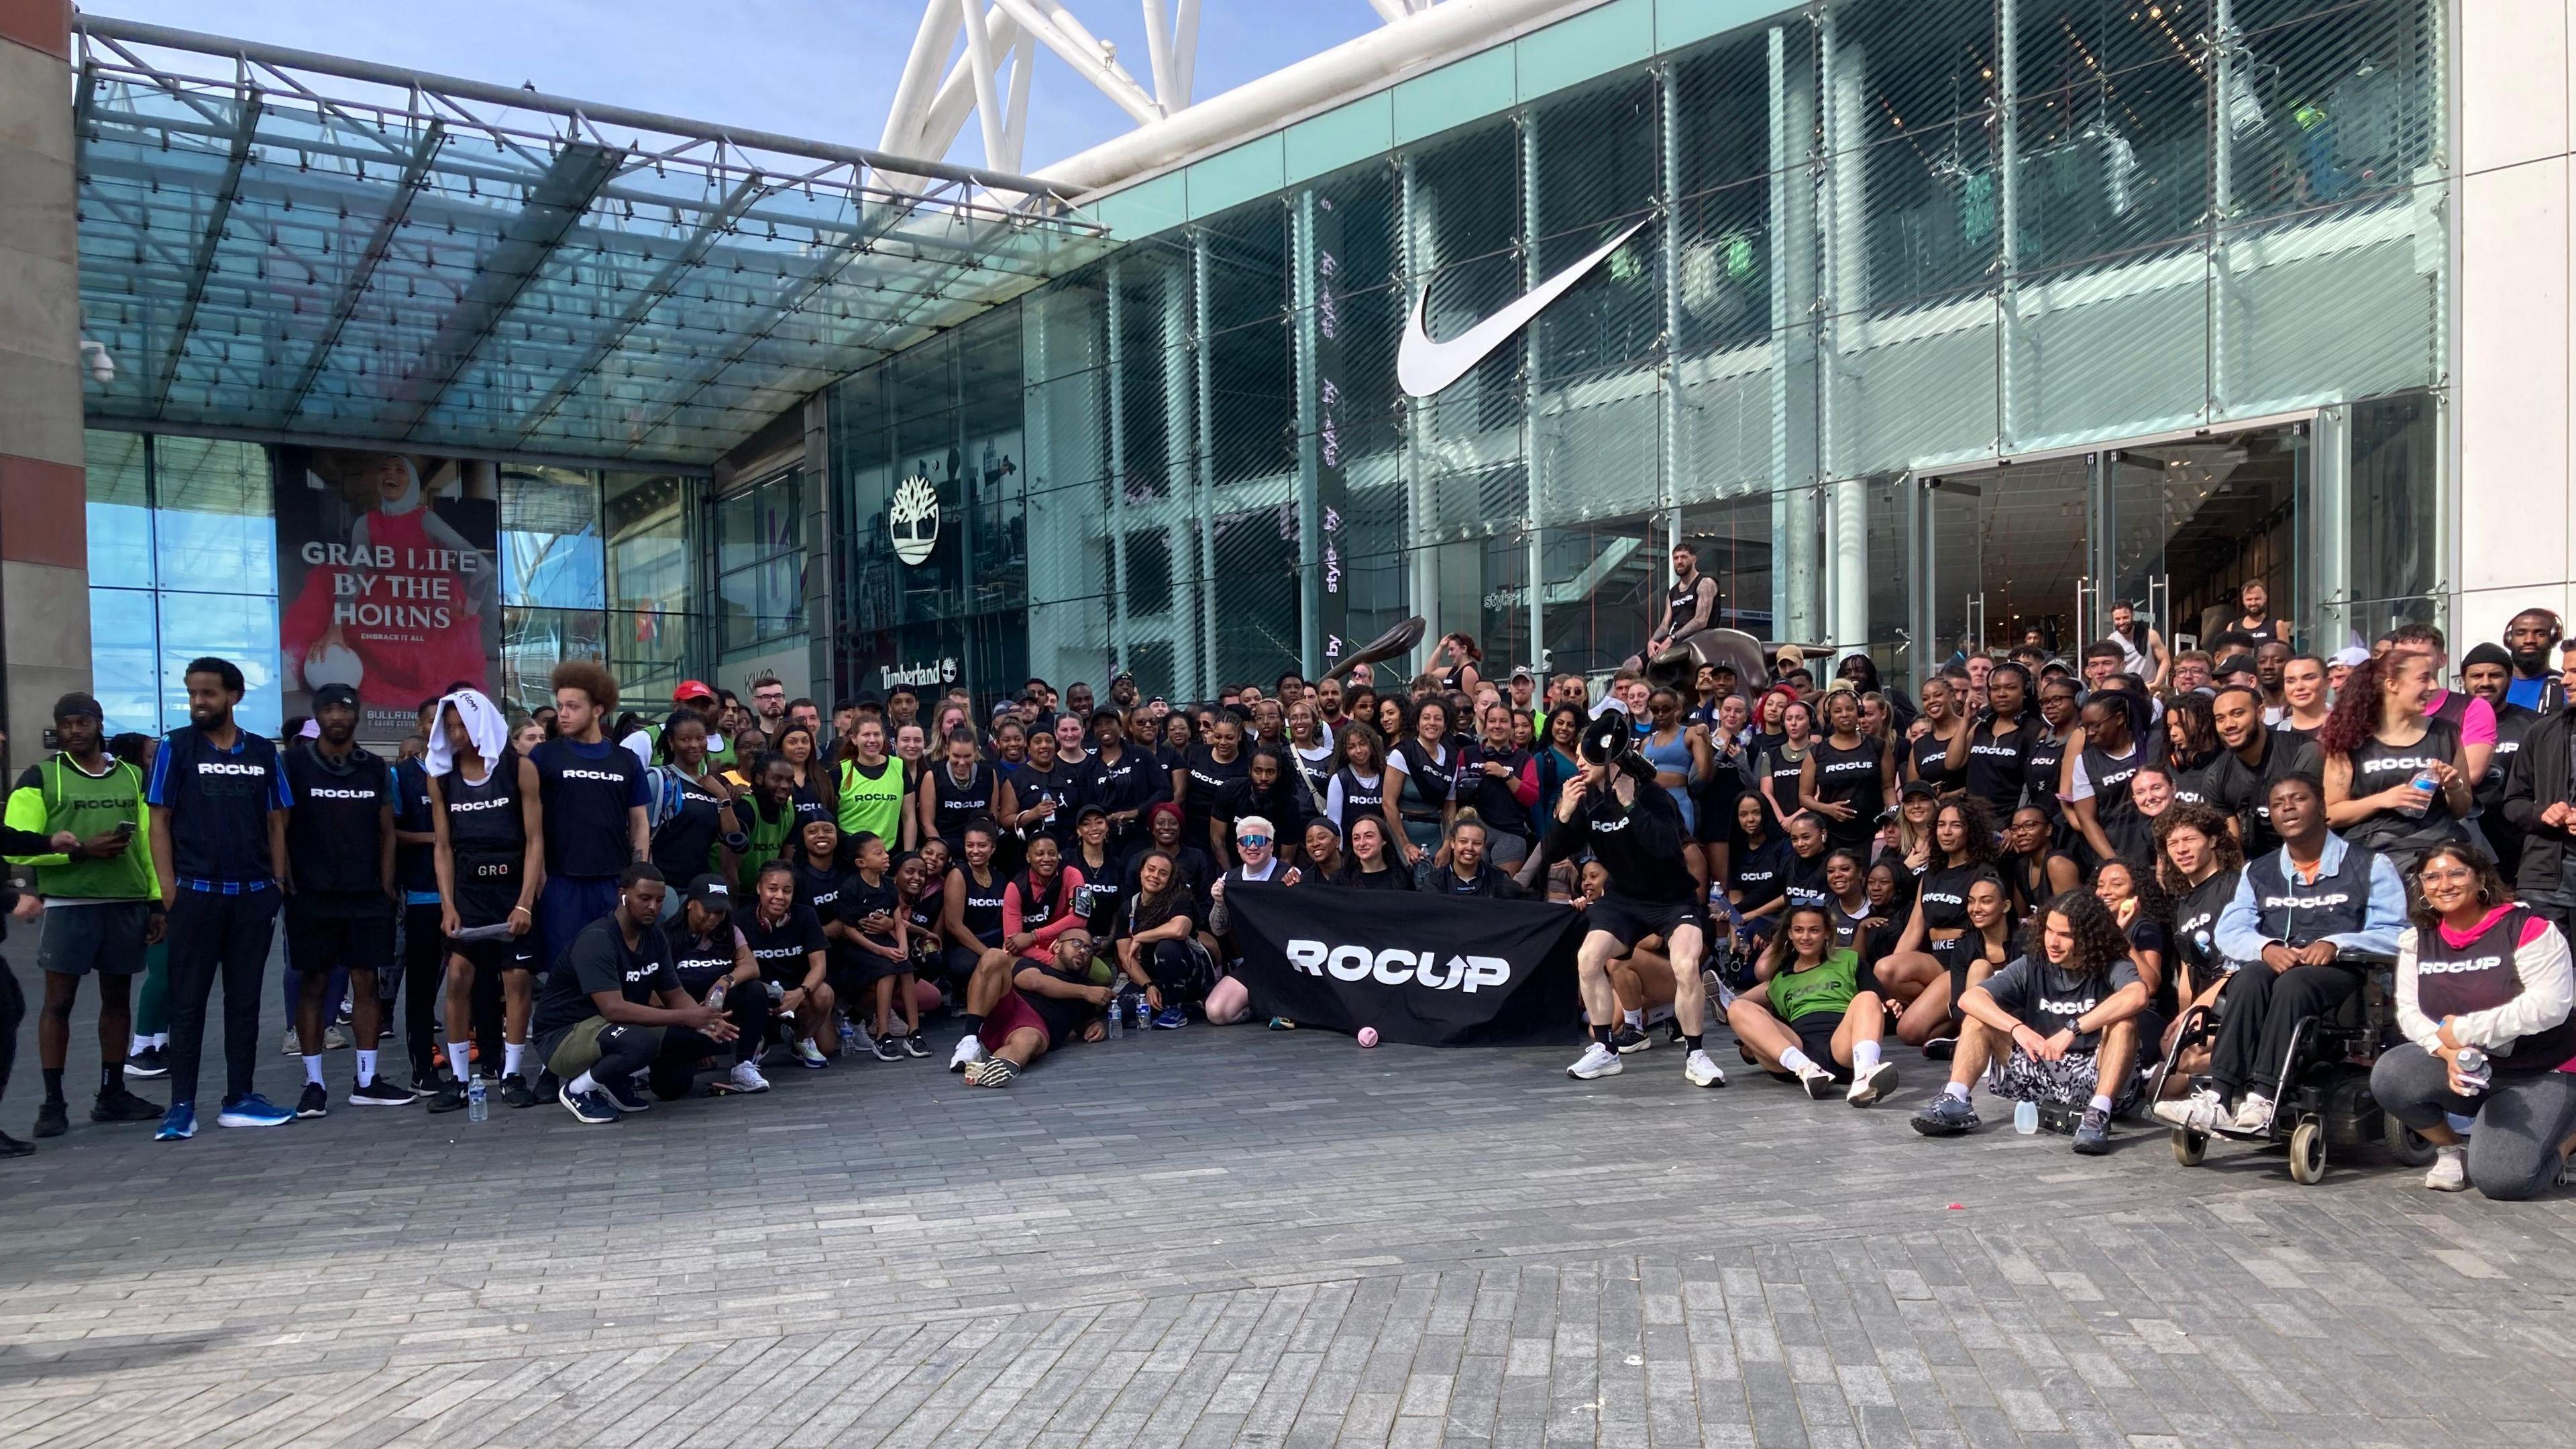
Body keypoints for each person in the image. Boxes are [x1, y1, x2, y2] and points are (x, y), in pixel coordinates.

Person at [2159, 774, 2406, 1135]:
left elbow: (2397, 933)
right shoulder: (2257, 871)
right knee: (2249, 978)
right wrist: (2266, 947)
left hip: (2342, 972)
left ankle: (2263, 1098)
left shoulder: (2370, 865)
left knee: (2294, 983)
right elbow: (2230, 930)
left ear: (2322, 807)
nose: (2287, 807)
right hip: (2277, 966)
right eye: (2277, 803)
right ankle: (2218, 1099)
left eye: (2298, 799)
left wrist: (2338, 943)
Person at [2371, 843, 2576, 1197]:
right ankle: (2451, 1150)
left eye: (2456, 873)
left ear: (2480, 877)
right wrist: (2446, 1050)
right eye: (2431, 877)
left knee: (2504, 1183)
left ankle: (2568, 1140)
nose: (2443, 884)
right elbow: (2409, 1011)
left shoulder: (2529, 928)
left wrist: (2464, 1030)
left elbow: (2551, 1006)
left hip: (2543, 1069)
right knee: (2392, 1074)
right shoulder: (2417, 940)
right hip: (2471, 1065)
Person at [5, 693, 165, 1140]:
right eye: (66, 724)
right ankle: (53, 1102)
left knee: (117, 999)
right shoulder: (41, 776)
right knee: (59, 1002)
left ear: (99, 724)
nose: (74, 731)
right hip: (69, 904)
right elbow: (14, 843)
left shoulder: (132, 774)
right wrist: (78, 853)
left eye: (82, 722)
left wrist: (155, 902)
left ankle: (112, 1093)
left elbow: (150, 843)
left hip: (125, 901)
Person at [147, 657, 295, 1139]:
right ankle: (182, 1106)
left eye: (208, 694)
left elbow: (277, 819)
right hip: (196, 894)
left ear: (233, 696)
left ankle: (239, 1098)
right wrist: (170, 890)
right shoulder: (176, 746)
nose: (198, 703)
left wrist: (276, 882)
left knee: (245, 1001)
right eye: (192, 693)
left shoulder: (261, 752)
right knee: (188, 1001)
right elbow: (159, 820)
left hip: (253, 896)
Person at [1910, 890, 2151, 1153]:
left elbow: (2138, 996)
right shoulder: (2033, 964)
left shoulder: (2112, 964)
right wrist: (2018, 1028)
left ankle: (2097, 1116)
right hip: (2042, 1071)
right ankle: (1955, 1099)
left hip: (2098, 1076)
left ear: (2089, 938)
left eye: (2066, 935)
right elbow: (1971, 998)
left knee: (2124, 1023)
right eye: (2049, 931)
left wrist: (2073, 1029)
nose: (2053, 942)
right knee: (1977, 1020)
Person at [1554, 723, 1725, 1087]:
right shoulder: (1587, 802)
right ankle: (1606, 1050)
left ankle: (1696, 1054)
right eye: (1578, 756)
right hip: (1624, 900)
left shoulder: (1652, 796)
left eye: (1587, 756)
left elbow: (1666, 849)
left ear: (1610, 758)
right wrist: (1565, 814)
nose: (1579, 762)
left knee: (1684, 963)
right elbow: (1553, 852)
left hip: (1672, 900)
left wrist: (1631, 805)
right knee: (1588, 958)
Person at [278, 683, 405, 1116]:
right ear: (318, 715)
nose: (338, 716)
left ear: (357, 715)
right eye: (329, 709)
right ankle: (313, 1084)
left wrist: (387, 886)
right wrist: (286, 881)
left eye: (345, 709)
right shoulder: (293, 764)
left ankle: (367, 1080)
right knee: (313, 984)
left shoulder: (372, 767)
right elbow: (278, 825)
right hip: (311, 895)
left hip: (366, 894)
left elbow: (387, 830)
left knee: (366, 982)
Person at [529, 865, 740, 1122]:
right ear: (623, 895)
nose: (653, 906)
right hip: (564, 1035)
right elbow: (613, 1009)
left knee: (702, 1037)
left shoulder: (655, 938)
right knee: (640, 1041)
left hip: (611, 1028)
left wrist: (706, 1020)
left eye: (659, 900)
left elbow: (674, 994)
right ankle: (577, 1090)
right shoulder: (598, 939)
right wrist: (687, 1017)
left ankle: (613, 1080)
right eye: (644, 898)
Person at [425, 688, 547, 1114]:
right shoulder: (440, 775)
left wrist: (526, 902)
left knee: (517, 981)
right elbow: (442, 846)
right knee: (458, 977)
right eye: (451, 727)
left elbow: (535, 841)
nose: (458, 734)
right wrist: (447, 905)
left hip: (513, 886)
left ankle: (512, 1073)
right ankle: (459, 1080)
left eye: (464, 725)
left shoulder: (520, 770)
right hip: (468, 891)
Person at [529, 662, 651, 975]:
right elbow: (532, 826)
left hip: (613, 882)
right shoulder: (544, 756)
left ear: (598, 709)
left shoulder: (626, 760)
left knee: (614, 968)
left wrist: (637, 878)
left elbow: (639, 823)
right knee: (563, 971)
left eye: (573, 706)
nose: (563, 714)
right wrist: (541, 882)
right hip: (561, 881)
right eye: (560, 706)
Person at [1725, 902, 1898, 1104]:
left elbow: (1881, 1009)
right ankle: (1808, 1071)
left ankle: (1865, 1078)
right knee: (1738, 1007)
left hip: (1842, 1048)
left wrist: (1891, 1008)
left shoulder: (1849, 960)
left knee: (1868, 997)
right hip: (1797, 1054)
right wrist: (1751, 1048)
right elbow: (1775, 1031)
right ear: (1789, 933)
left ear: (1826, 933)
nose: (1805, 937)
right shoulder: (1780, 979)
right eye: (1798, 930)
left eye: (1814, 930)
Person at [2320, 652, 2473, 875]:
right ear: (2392, 684)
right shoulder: (2350, 738)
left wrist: (2453, 787)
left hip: (2438, 851)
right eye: (2423, 678)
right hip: (2373, 856)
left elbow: (2462, 809)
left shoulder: (2446, 733)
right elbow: (2331, 813)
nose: (2432, 686)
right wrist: (2384, 800)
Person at [1880, 796, 2004, 1047]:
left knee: (1909, 1031)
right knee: (1884, 970)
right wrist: (1891, 980)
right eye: (1941, 825)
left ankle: (1958, 1016)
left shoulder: (1983, 872)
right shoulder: (1932, 874)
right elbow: (1915, 927)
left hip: (1964, 961)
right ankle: (1949, 1009)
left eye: (1956, 825)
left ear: (1970, 831)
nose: (1946, 832)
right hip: (1935, 959)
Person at [2154, 802, 2246, 1097]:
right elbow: (2186, 967)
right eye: (2173, 843)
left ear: (2213, 840)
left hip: (2236, 998)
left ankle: (2243, 1071)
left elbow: (2240, 960)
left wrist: (2200, 1006)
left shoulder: (2234, 886)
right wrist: (2183, 1018)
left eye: (2190, 839)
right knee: (2165, 1069)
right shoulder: (2185, 902)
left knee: (2185, 1060)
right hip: (2206, 1006)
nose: (2181, 849)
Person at [958, 927, 1112, 1088]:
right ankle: (969, 1039)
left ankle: (987, 1070)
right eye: (1076, 943)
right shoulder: (1033, 965)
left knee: (1028, 1041)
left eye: (1088, 949)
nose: (1082, 951)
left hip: (1034, 1028)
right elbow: (1034, 982)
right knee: (994, 955)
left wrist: (1095, 1026)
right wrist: (1084, 992)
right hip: (1010, 1007)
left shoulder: (1088, 987)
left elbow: (1083, 1021)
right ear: (1057, 947)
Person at [661, 873, 771, 1097]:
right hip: (682, 1016)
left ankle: (744, 1066)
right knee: (671, 1089)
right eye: (708, 910)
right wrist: (697, 1021)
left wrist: (724, 981)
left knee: (755, 990)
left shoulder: (729, 930)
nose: (713, 917)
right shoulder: (667, 935)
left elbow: (751, 966)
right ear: (690, 904)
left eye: (720, 912)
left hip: (720, 1011)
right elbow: (657, 992)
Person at [2502, 635, 2576, 943]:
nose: (2565, 681)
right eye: (2564, 671)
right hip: (2545, 882)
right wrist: (2542, 813)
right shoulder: (2543, 731)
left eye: (2574, 672)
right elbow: (2513, 802)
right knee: (2548, 982)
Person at [739, 857, 841, 1071]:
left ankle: (801, 1039)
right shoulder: (740, 919)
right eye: (772, 889)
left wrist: (800, 993)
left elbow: (819, 966)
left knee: (827, 1039)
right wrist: (765, 993)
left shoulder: (805, 915)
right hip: (760, 993)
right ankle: (760, 1038)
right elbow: (737, 968)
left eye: (787, 891)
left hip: (797, 994)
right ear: (759, 888)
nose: (779, 897)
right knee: (747, 993)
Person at [2202, 684, 2318, 858]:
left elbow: (2314, 822)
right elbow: (2231, 848)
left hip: (2311, 855)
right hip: (2257, 868)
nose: (2229, 725)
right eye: (2220, 718)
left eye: (2238, 713)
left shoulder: (2302, 752)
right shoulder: (2216, 775)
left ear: (2261, 713)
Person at [839, 830, 919, 1060]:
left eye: (885, 851)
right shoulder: (851, 888)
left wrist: (902, 945)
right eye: (879, 853)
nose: (886, 856)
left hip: (887, 942)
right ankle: (882, 1035)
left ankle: (914, 1032)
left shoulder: (888, 886)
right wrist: (882, 950)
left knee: (905, 967)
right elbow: (849, 930)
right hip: (861, 947)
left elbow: (898, 921)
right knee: (887, 969)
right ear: (861, 863)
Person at [2462, 641, 2538, 879]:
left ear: (2510, 679)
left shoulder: (2534, 725)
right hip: (2466, 838)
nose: (2485, 682)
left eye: (2495, 675)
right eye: (2477, 675)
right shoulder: (2447, 724)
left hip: (2518, 842)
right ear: (2463, 680)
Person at [647, 710, 743, 899]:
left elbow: (733, 837)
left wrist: (722, 795)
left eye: (700, 738)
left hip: (698, 889)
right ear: (671, 743)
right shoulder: (659, 780)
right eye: (685, 739)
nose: (695, 745)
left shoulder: (712, 786)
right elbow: (637, 835)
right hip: (663, 889)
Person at [1114, 851, 1208, 1028]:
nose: (1155, 876)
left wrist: (1140, 937)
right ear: (1141, 871)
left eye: (1163, 873)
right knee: (1122, 1012)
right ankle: (1181, 1006)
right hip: (1151, 976)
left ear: (1169, 879)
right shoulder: (1128, 908)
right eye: (1151, 869)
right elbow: (1126, 958)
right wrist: (1148, 985)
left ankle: (1175, 1008)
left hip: (1187, 972)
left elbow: (1179, 929)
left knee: (1167, 947)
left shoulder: (1179, 898)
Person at [2064, 690, 2156, 867]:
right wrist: (2114, 863)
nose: (2090, 732)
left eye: (2096, 725)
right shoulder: (2085, 761)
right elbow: (2087, 819)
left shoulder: (2153, 743)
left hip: (2158, 849)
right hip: (2115, 849)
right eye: (2085, 726)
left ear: (2120, 718)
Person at [1799, 690, 1895, 856]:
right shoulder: (1817, 752)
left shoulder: (1878, 746)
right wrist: (1827, 809)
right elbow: (1804, 796)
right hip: (1832, 834)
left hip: (1873, 833)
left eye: (1849, 709)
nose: (1844, 715)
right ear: (1829, 717)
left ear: (1859, 712)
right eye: (1837, 711)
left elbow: (1888, 788)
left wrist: (1894, 817)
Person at [1460, 700, 1541, 869]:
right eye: (1492, 721)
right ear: (1485, 724)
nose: (1497, 726)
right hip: (1473, 832)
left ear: (1512, 727)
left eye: (1503, 721)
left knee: (1502, 892)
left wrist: (1505, 774)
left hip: (1510, 833)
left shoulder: (1524, 758)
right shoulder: (1467, 754)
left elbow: (1531, 798)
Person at [1383, 698, 1461, 866]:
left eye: (1438, 718)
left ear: (1445, 725)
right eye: (1426, 718)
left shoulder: (1452, 757)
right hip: (1402, 833)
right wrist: (1405, 845)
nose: (1432, 723)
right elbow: (1388, 803)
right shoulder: (1403, 754)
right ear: (1417, 724)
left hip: (1435, 835)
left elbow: (1449, 806)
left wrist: (1447, 845)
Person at [833, 716, 911, 855]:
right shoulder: (840, 771)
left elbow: (909, 817)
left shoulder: (899, 766)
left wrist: (908, 856)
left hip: (890, 853)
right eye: (866, 735)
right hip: (851, 855)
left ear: (884, 737)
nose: (872, 740)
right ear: (854, 739)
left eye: (877, 734)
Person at [919, 727, 1004, 856]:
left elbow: (992, 818)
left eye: (967, 756)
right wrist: (941, 851)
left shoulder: (989, 775)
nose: (962, 762)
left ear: (976, 752)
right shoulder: (933, 776)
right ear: (948, 750)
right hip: (945, 846)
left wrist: (981, 850)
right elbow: (927, 823)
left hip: (978, 849)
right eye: (956, 756)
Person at [1644, 539, 1723, 666]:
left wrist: (1672, 638)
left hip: (1697, 642)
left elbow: (1701, 621)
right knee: (1632, 663)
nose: (1679, 561)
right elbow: (1665, 625)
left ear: (1694, 559)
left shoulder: (1705, 584)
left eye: (1684, 557)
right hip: (1673, 641)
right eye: (1676, 558)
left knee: (1659, 662)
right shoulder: (1672, 593)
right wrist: (1652, 641)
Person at [2000, 805, 2082, 920]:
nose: (2020, 833)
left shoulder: (2058, 863)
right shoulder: (2022, 866)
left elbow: (2069, 917)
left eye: (2029, 826)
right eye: (2015, 828)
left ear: (2048, 829)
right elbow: (2022, 917)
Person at [1416, 811, 1522, 898]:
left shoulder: (1500, 879)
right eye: (1463, 841)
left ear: (1484, 846)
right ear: (1453, 843)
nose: (1470, 848)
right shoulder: (1434, 881)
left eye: (1477, 843)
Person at [2502, 608, 2566, 713]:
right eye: (2521, 634)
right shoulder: (2491, 684)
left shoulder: (2567, 686)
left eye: (2540, 634)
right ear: (2509, 639)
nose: (2529, 640)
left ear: (2554, 638)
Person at [1336, 815, 1413, 891]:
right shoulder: (1341, 880)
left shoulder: (1403, 878)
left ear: (1384, 839)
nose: (1362, 843)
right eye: (1356, 838)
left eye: (1369, 836)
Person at [2106, 600, 2169, 691]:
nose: (2122, 622)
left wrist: (2155, 684)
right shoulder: (2112, 641)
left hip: (2148, 689)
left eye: (2125, 617)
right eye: (2117, 619)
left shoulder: (2150, 635)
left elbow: (2165, 660)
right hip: (2124, 690)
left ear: (2133, 615)